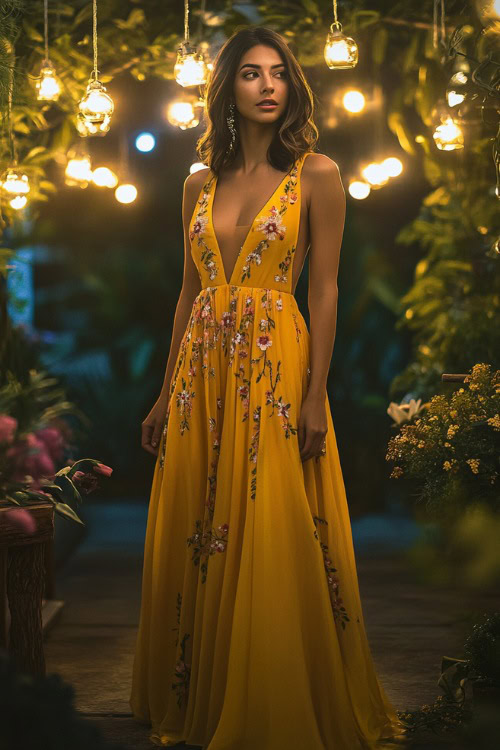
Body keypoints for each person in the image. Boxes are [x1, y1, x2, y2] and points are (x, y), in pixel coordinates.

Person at [130, 25, 406, 750]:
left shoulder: (317, 172)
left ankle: (274, 691)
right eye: (250, 73)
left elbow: (325, 290)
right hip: (200, 375)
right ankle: (204, 688)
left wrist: (316, 395)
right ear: (229, 88)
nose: (267, 85)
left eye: (279, 73)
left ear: (293, 86)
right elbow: (189, 295)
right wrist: (163, 394)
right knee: (202, 520)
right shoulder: (196, 182)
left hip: (275, 366)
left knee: (269, 518)